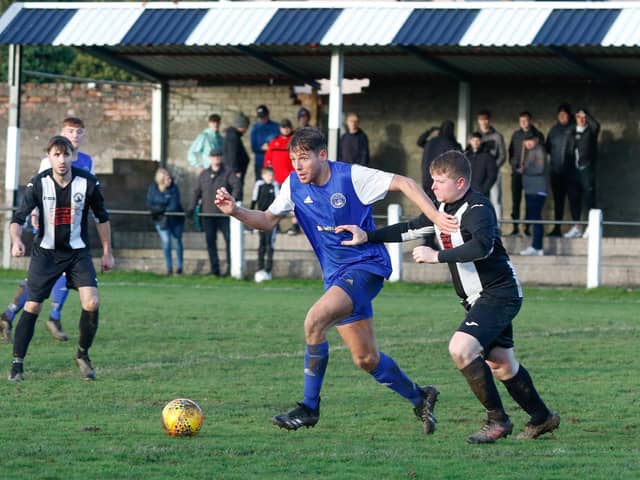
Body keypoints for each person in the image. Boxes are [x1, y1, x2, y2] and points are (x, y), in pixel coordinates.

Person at [214, 127, 458, 433]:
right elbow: (266, 220)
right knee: (366, 358)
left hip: (366, 267)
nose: (297, 166)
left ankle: (309, 408)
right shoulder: (292, 185)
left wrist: (435, 218)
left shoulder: (351, 177)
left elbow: (405, 182)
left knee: (314, 321)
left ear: (323, 156)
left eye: (303, 159)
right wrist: (234, 210)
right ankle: (420, 397)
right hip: (336, 277)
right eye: (293, 160)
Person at [337, 150, 560, 444]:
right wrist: (368, 235)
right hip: (477, 298)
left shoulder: (478, 208)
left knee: (460, 348)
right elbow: (412, 228)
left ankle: (498, 420)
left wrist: (436, 256)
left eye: (440, 181)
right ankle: (542, 418)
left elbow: (482, 247)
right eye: (432, 180)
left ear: (461, 182)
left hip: (498, 293)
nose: (433, 187)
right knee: (502, 364)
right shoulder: (443, 207)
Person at [7, 136, 114, 382]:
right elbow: (17, 219)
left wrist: (107, 251)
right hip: (45, 254)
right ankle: (17, 365)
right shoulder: (38, 184)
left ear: (73, 156)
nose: (62, 159)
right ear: (49, 157)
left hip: (78, 254)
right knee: (32, 306)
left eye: (66, 154)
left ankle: (83, 354)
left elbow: (102, 217)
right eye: (57, 155)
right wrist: (17, 240)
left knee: (92, 303)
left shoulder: (87, 182)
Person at [0, 117, 94, 343]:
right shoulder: (48, 161)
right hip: (49, 226)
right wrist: (35, 216)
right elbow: (38, 188)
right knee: (50, 274)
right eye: (71, 131)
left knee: (40, 278)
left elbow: (89, 191)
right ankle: (52, 316)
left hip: (72, 228)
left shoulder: (88, 161)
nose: (75, 135)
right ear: (62, 132)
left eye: (79, 132)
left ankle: (9, 315)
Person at [190, 147, 242, 276]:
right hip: (207, 214)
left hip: (224, 214)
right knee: (210, 242)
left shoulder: (228, 172)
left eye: (218, 156)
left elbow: (237, 187)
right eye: (213, 156)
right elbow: (197, 192)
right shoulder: (204, 174)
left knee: (229, 241)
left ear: (222, 157)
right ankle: (215, 270)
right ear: (210, 158)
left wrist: (232, 202)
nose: (216, 158)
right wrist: (192, 206)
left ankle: (231, 269)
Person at [508, 112, 545, 236]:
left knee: (530, 201)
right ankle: (515, 227)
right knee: (516, 200)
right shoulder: (516, 135)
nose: (523, 123)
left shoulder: (538, 135)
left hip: (531, 175)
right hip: (517, 173)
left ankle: (527, 228)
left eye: (526, 120)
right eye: (521, 121)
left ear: (530, 121)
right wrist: (515, 166)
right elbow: (511, 153)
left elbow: (542, 155)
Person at [565, 108, 600, 239]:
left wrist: (587, 115)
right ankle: (577, 227)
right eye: (579, 116)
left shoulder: (590, 131)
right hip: (573, 170)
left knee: (589, 198)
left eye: (583, 117)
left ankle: (592, 226)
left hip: (586, 169)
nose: (581, 119)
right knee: (574, 198)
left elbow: (596, 126)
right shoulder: (572, 132)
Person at [545, 104, 577, 237]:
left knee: (574, 200)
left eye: (565, 114)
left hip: (572, 172)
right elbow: (547, 148)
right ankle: (557, 228)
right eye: (560, 114)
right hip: (556, 172)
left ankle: (577, 228)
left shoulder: (575, 129)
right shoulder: (553, 130)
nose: (562, 117)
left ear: (570, 115)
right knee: (558, 201)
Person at [264, 118, 300, 235]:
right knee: (276, 203)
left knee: (294, 204)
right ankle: (276, 225)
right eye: (283, 127)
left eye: (287, 127)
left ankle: (295, 226)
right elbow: (268, 160)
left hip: (292, 179)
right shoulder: (274, 142)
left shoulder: (295, 142)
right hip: (276, 179)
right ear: (280, 128)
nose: (285, 129)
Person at [147, 168, 185, 275]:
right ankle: (169, 267)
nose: (170, 180)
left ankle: (180, 267)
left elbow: (174, 206)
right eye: (167, 178)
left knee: (177, 242)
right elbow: (150, 205)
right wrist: (162, 209)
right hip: (161, 221)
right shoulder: (153, 189)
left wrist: (160, 208)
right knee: (166, 241)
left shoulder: (174, 189)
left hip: (175, 220)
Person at [519, 132, 548, 256]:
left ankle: (537, 247)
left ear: (536, 140)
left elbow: (540, 169)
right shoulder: (529, 152)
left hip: (538, 190)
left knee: (536, 218)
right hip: (531, 189)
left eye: (530, 140)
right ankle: (536, 246)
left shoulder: (539, 150)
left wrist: (525, 170)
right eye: (526, 141)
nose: (528, 143)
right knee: (534, 217)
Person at [417, 120, 462, 196]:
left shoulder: (430, 142)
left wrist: (429, 131)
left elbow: (419, 142)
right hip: (442, 180)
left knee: (429, 204)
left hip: (427, 179)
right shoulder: (453, 144)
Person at [250, 166, 279, 281]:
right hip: (260, 218)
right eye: (268, 175)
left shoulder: (275, 186)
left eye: (272, 176)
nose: (270, 178)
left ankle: (268, 270)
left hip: (271, 219)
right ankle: (260, 269)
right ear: (263, 176)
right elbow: (254, 200)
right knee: (261, 244)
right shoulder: (259, 185)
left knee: (270, 244)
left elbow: (278, 201)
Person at [477, 110, 506, 222]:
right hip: (479, 174)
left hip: (493, 173)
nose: (483, 122)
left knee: (496, 200)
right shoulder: (476, 136)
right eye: (481, 120)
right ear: (478, 121)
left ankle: (497, 226)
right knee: (481, 200)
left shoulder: (497, 136)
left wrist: (493, 168)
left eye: (485, 119)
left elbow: (502, 155)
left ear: (489, 120)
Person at [223, 112, 250, 203]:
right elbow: (232, 155)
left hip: (234, 171)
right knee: (236, 193)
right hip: (235, 172)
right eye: (246, 127)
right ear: (243, 126)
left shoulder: (233, 135)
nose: (246, 129)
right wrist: (236, 171)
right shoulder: (233, 137)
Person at [250, 105, 280, 182]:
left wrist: (270, 147)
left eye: (264, 116)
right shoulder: (255, 128)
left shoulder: (276, 127)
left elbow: (280, 143)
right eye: (260, 117)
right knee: (260, 184)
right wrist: (261, 148)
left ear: (268, 114)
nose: (262, 118)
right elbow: (253, 147)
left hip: (273, 162)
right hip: (260, 161)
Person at [465, 132, 498, 198]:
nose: (475, 142)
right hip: (466, 192)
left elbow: (492, 175)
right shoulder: (466, 156)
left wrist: (483, 189)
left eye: (477, 140)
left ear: (481, 141)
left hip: (482, 194)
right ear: (470, 141)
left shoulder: (488, 156)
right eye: (473, 140)